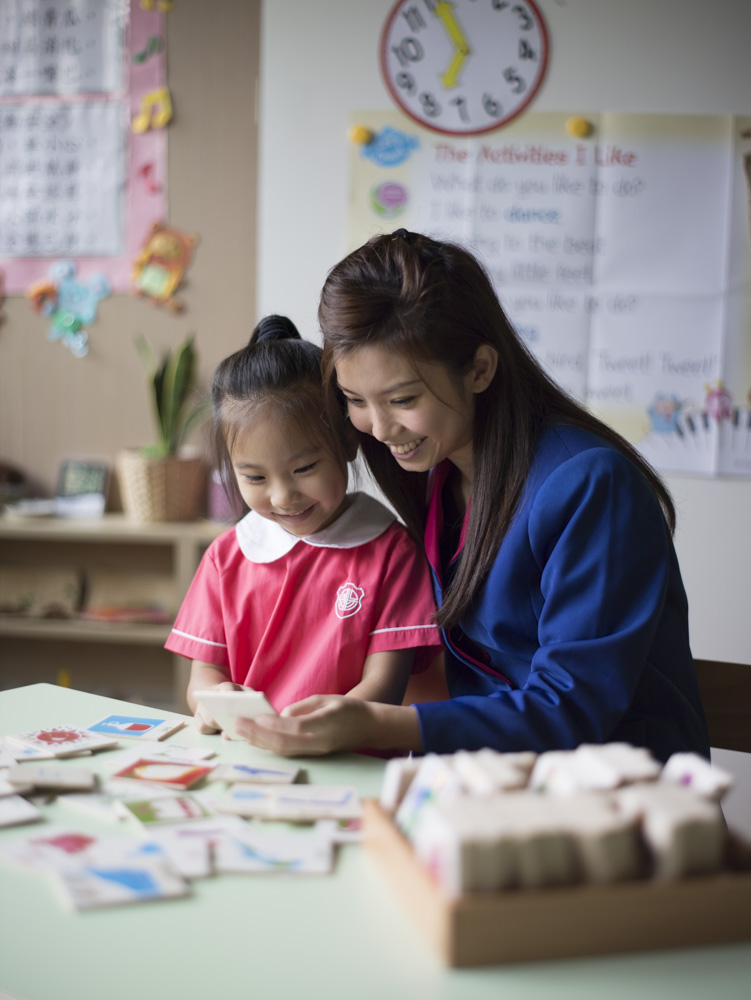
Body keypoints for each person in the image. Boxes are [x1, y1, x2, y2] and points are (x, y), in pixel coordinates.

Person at [236, 232, 710, 763]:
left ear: (480, 368)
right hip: (494, 779)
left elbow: (573, 707)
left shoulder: (589, 484)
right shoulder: (437, 470)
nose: (380, 428)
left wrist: (379, 722)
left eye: (402, 399)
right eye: (354, 400)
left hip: (617, 798)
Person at [165, 314, 442, 734]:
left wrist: (312, 732)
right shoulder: (226, 557)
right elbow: (204, 677)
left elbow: (384, 685)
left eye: (304, 468)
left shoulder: (392, 553)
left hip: (349, 760)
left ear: (348, 441)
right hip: (248, 758)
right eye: (254, 477)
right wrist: (214, 700)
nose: (282, 497)